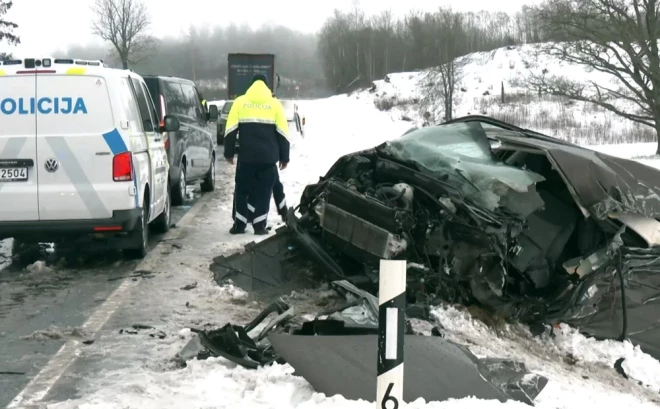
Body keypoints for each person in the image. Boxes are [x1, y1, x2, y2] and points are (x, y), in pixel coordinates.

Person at [224, 74, 289, 235]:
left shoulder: (240, 102)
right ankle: (259, 226)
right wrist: (284, 157)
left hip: (247, 159)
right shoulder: (275, 104)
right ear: (267, 87)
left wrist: (229, 153)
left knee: (242, 190)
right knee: (263, 192)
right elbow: (283, 133)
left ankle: (239, 225)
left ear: (250, 86)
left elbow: (230, 130)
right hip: (268, 159)